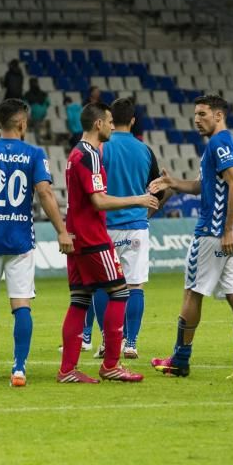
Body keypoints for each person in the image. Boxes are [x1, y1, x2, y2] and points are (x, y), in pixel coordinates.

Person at [0, 99, 74, 387]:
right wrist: (61, 230)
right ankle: (19, 369)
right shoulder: (34, 154)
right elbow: (45, 193)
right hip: (20, 240)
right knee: (21, 304)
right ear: (22, 123)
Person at [148, 95, 233, 380]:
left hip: (214, 233)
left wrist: (227, 228)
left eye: (203, 114)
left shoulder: (218, 144)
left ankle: (180, 360)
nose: (197, 120)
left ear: (219, 115)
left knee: (192, 292)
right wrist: (173, 183)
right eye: (195, 114)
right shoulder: (232, 145)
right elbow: (202, 186)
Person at [59, 102, 158, 383]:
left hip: (77, 236)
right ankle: (111, 364)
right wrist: (138, 199)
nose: (113, 126)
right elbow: (99, 200)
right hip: (92, 237)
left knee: (79, 300)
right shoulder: (89, 154)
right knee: (120, 292)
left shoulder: (76, 153)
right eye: (110, 121)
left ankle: (67, 370)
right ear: (99, 124)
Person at [84, 97, 167, 359]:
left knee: (101, 286)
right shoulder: (145, 151)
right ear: (133, 120)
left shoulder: (101, 148)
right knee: (135, 286)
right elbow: (158, 190)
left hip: (104, 226)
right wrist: (146, 213)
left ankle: (108, 341)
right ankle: (130, 343)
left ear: (111, 120)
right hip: (135, 227)